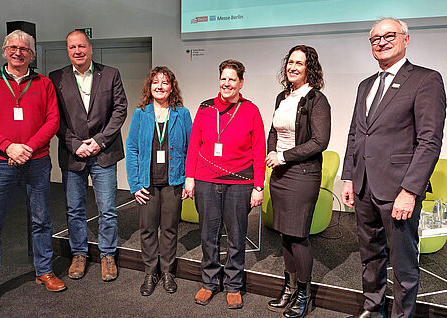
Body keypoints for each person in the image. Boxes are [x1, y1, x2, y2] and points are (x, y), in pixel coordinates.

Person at [341, 18, 446, 318]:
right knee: (370, 256)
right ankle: (373, 309)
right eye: (375, 38)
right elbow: (356, 134)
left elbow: (429, 141)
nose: (382, 42)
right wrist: (349, 177)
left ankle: (403, 315)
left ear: (406, 39)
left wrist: (410, 190)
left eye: (389, 35)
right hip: (363, 187)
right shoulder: (366, 85)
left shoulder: (426, 79)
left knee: (403, 263)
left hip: (399, 190)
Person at [0, 30, 65, 311]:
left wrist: (27, 148)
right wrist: (8, 147)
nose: (18, 52)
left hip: (36, 161)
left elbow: (53, 121)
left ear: (32, 55)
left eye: (24, 49)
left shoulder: (44, 83)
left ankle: (44, 271)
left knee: (41, 219)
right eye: (13, 48)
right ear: (4, 51)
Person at [185, 59, 266, 309]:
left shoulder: (251, 110)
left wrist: (258, 186)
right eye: (223, 78)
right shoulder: (205, 108)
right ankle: (209, 282)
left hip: (240, 182)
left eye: (232, 79)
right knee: (208, 235)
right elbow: (194, 145)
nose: (226, 83)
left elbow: (259, 149)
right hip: (206, 180)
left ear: (241, 83)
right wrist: (190, 178)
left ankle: (233, 284)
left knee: (236, 235)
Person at [49, 30, 128, 282]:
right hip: (73, 154)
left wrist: (99, 141)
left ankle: (107, 255)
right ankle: (79, 253)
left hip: (103, 152)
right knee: (74, 209)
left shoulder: (111, 74)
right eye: (72, 47)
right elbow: (55, 118)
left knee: (107, 208)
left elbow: (120, 110)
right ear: (68, 50)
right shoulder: (56, 77)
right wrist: (74, 144)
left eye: (81, 46)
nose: (77, 51)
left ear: (90, 48)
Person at [265, 45, 331, 318]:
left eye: (299, 63)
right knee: (285, 233)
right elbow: (274, 129)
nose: (293, 67)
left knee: (298, 235)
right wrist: (271, 151)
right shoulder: (283, 96)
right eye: (290, 62)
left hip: (302, 174)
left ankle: (304, 294)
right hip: (280, 174)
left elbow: (319, 142)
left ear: (309, 68)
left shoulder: (317, 99)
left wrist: (283, 156)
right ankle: (289, 287)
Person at [126, 66, 192, 296]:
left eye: (165, 82)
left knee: (170, 229)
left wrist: (187, 180)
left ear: (171, 87)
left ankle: (167, 272)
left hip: (173, 181)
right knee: (147, 229)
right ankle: (150, 272)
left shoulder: (181, 113)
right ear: (149, 86)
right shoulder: (140, 114)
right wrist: (135, 185)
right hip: (147, 183)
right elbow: (132, 149)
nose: (160, 86)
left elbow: (191, 149)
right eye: (156, 82)